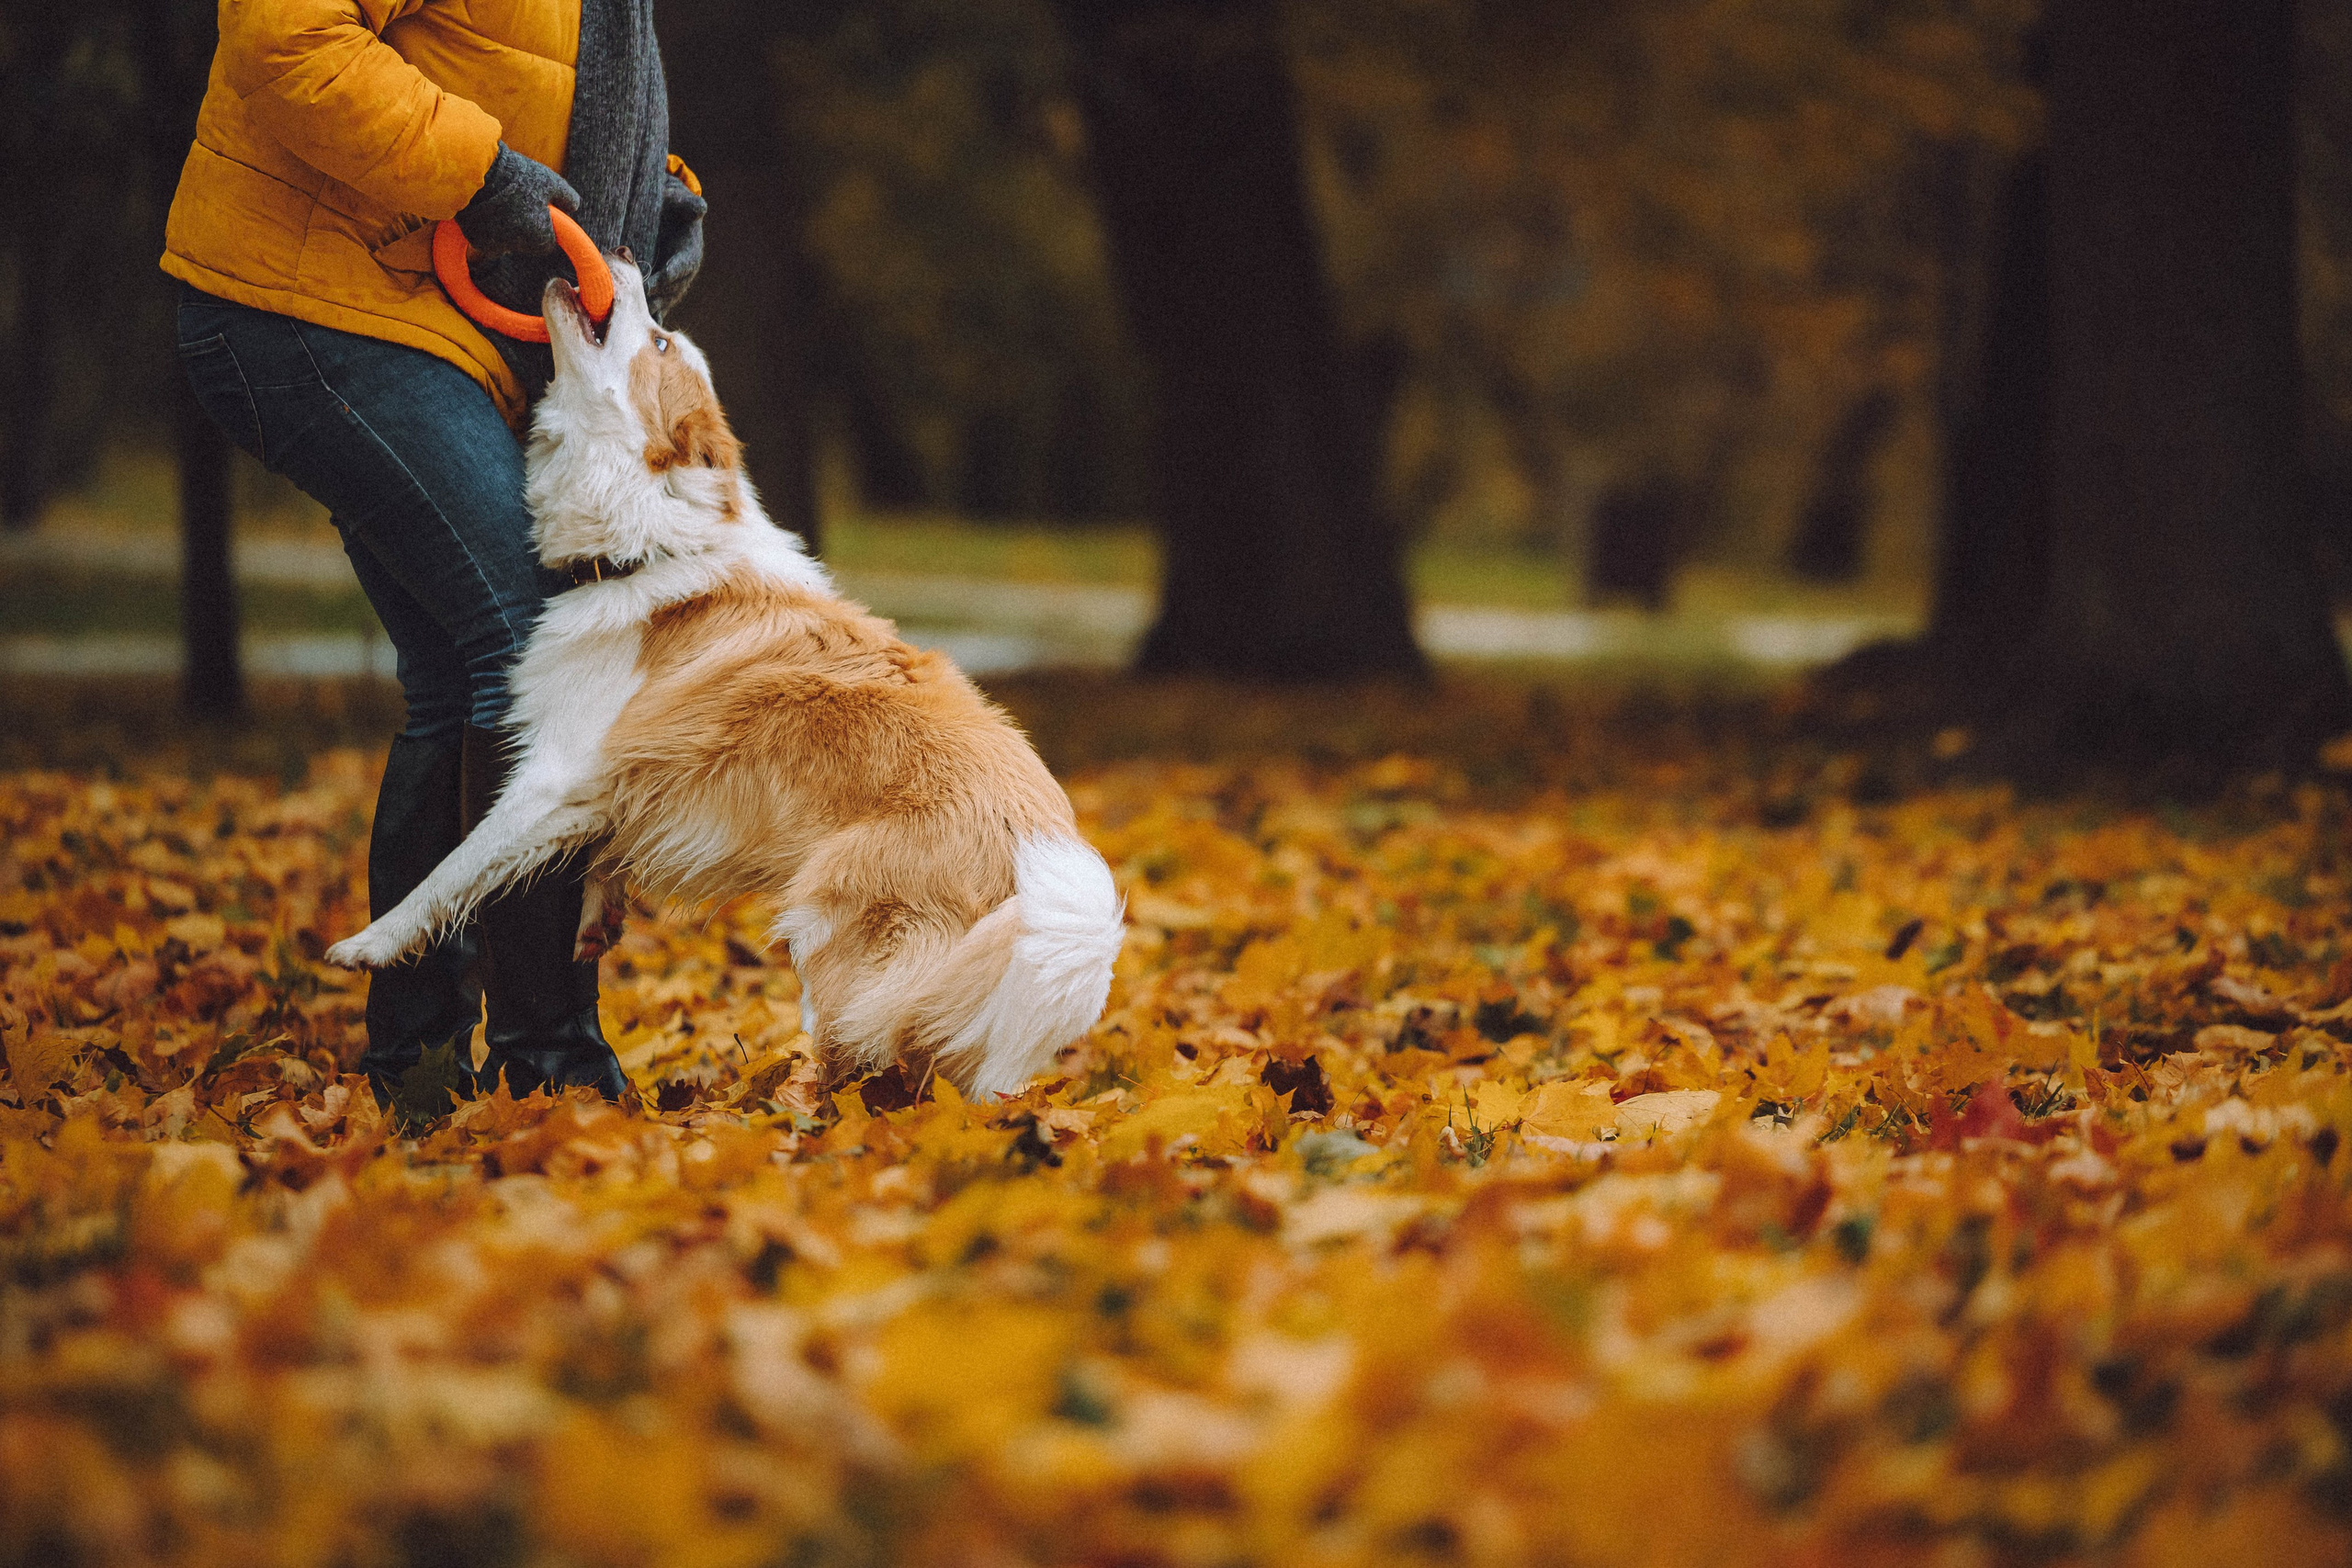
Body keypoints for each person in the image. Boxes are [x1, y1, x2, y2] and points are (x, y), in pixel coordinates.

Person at [158, 0, 706, 1108]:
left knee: (462, 673)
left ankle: (416, 1064)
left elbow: (536, 77)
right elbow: (286, 38)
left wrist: (659, 197)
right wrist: (480, 175)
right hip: (307, 304)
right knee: (531, 646)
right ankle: (547, 1061)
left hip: (417, 320)